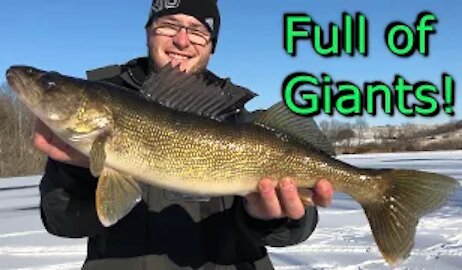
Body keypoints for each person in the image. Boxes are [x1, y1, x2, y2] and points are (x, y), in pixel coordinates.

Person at [35, 0, 335, 269]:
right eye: (168, 25)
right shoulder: (93, 127)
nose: (181, 40)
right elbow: (61, 221)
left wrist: (269, 219)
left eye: (197, 30)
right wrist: (76, 172)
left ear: (211, 44)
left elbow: (297, 229)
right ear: (148, 32)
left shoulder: (244, 122)